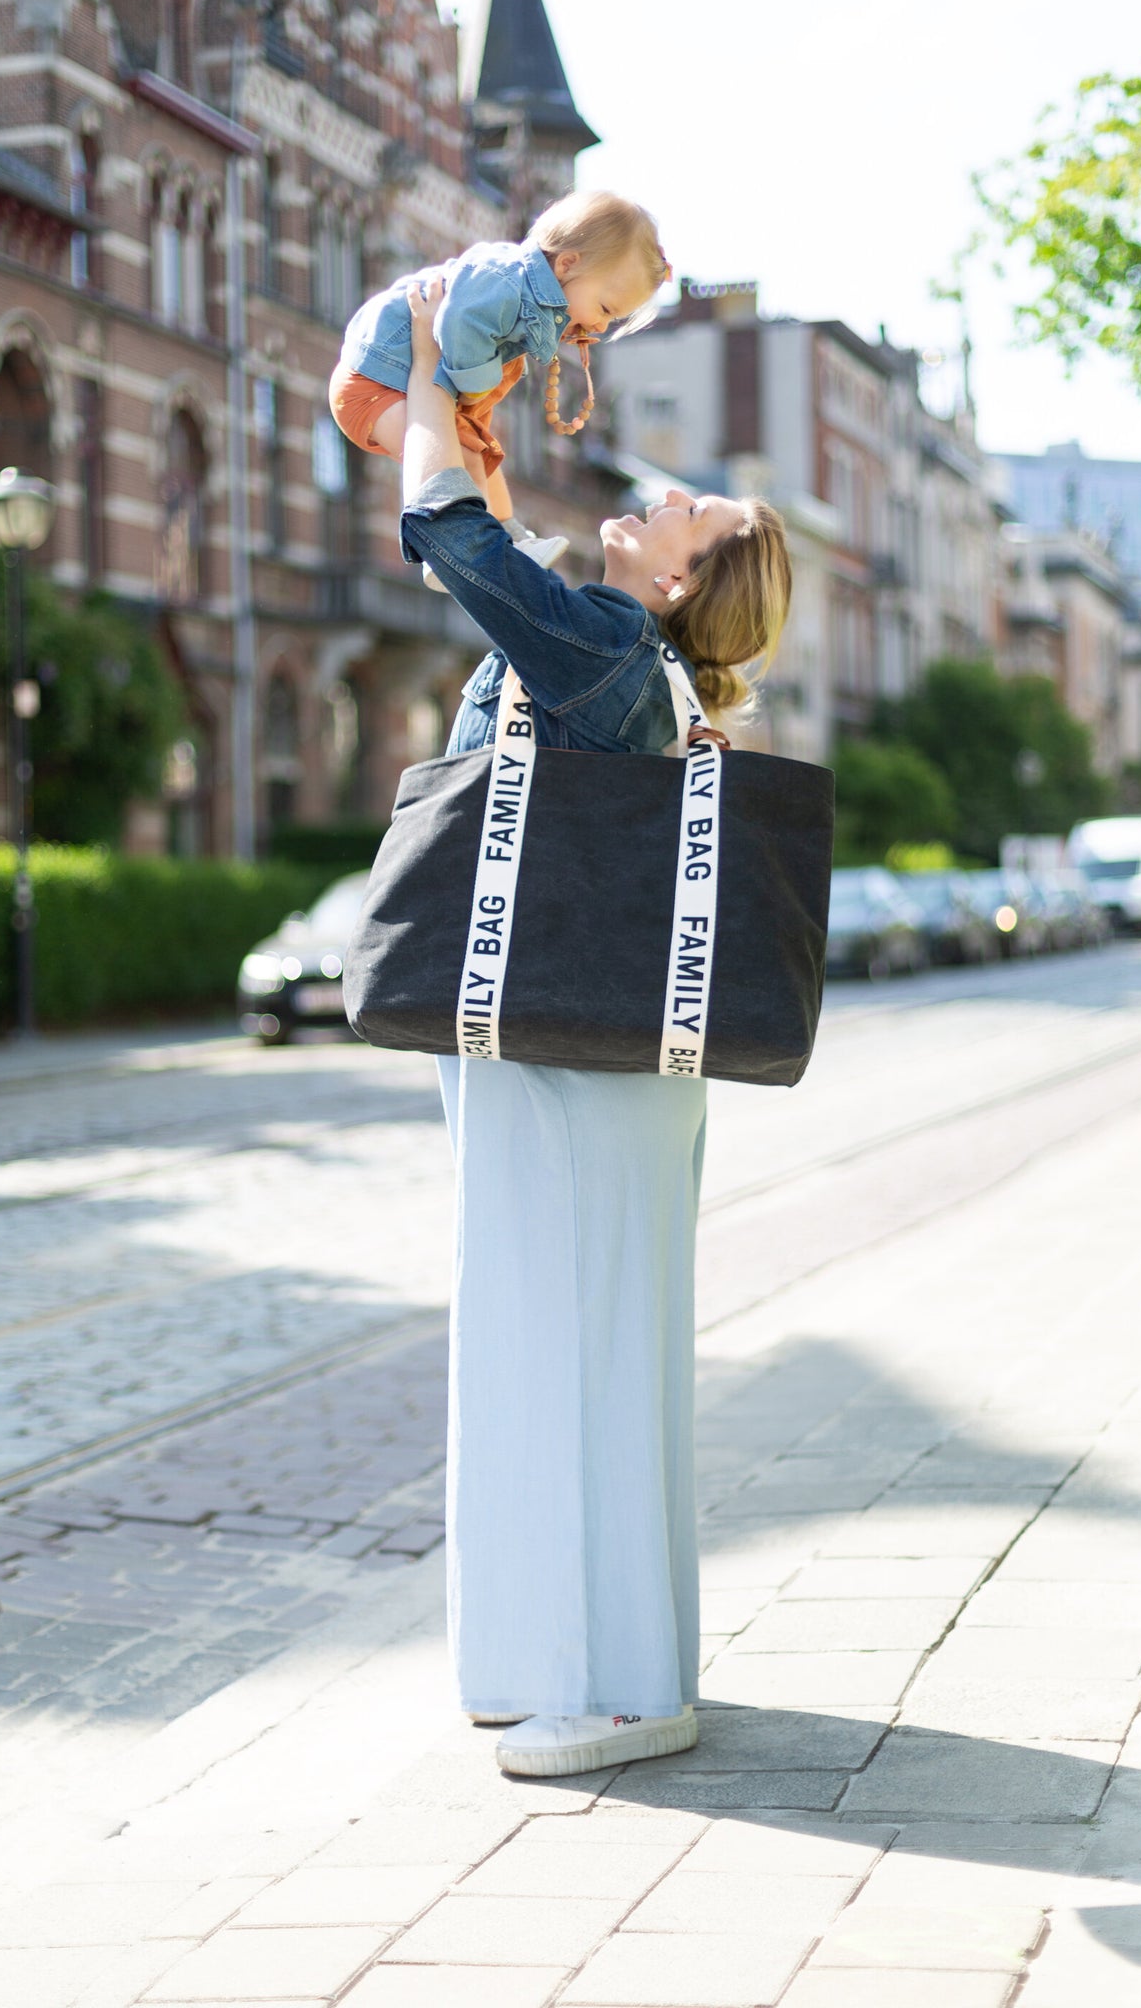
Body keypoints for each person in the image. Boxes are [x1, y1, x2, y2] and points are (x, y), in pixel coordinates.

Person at [396, 277, 791, 1778]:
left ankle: (619, 1691)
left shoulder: (610, 652)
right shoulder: (616, 657)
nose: (661, 493)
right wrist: (472, 426)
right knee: (561, 1341)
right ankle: (560, 1659)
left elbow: (445, 531)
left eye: (686, 511)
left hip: (568, 1064)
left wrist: (430, 365)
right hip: (573, 1060)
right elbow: (474, 534)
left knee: (564, 1345)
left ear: (682, 583)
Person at [330, 191, 669, 575]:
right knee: (460, 460)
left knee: (484, 460)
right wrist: (476, 388)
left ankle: (510, 535)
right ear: (567, 264)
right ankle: (450, 548)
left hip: (396, 382)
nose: (601, 326)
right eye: (606, 309)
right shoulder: (504, 280)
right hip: (373, 383)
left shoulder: (525, 291)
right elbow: (461, 324)